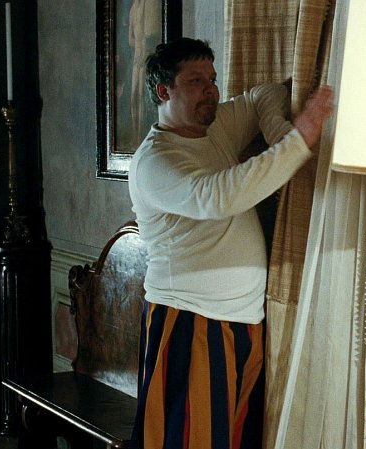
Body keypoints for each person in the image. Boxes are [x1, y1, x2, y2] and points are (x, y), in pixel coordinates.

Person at [128, 37, 333, 449]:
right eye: (196, 81)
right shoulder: (154, 161)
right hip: (190, 320)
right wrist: (298, 139)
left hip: (243, 321)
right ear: (163, 91)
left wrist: (278, 130)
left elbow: (265, 94)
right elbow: (219, 196)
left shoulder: (215, 125)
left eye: (212, 79)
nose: (211, 91)